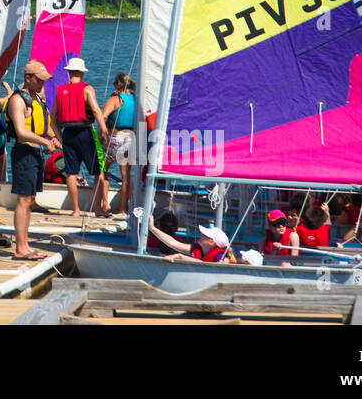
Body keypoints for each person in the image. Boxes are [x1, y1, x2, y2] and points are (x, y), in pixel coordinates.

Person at [2, 60, 60, 261]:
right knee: (23, 200)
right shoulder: (18, 100)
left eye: (44, 80)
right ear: (28, 78)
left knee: (29, 201)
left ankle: (25, 245)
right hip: (24, 153)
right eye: (38, 79)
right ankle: (20, 248)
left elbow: (43, 124)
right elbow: (21, 132)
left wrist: (52, 137)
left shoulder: (37, 97)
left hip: (35, 153)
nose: (42, 83)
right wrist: (45, 142)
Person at [52, 57, 109, 217]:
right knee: (98, 172)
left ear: (69, 72)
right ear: (82, 73)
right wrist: (103, 130)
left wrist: (60, 137)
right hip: (85, 132)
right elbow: (97, 111)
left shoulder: (59, 91)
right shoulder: (87, 89)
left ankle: (76, 210)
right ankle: (98, 209)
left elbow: (52, 119)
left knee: (71, 173)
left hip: (68, 134)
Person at [100, 73, 138, 215]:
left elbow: (103, 117)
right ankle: (123, 209)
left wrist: (101, 135)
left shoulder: (116, 99)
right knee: (126, 175)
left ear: (118, 84)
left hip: (115, 138)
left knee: (103, 169)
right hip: (131, 138)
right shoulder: (136, 98)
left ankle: (105, 205)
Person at [147, 218, 232, 264]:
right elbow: (173, 243)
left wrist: (180, 256)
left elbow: (204, 264)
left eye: (205, 235)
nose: (201, 235)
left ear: (211, 242)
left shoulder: (219, 256)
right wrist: (153, 228)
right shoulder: (197, 249)